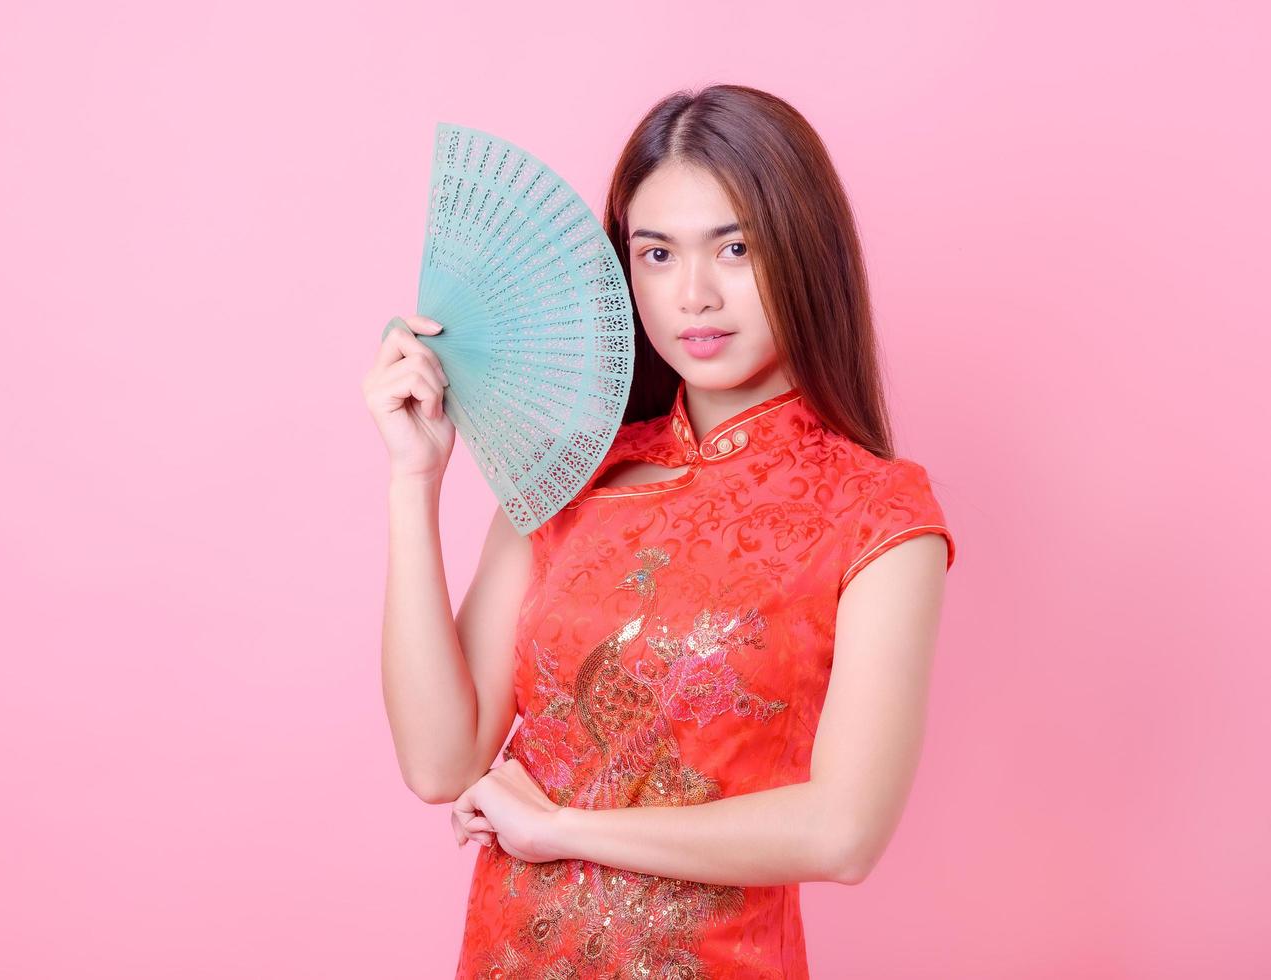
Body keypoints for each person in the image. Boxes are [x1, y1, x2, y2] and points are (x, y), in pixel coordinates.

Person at [362, 84, 957, 979]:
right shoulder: (573, 477)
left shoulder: (877, 512)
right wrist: (416, 481)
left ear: (803, 254)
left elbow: (842, 833)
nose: (694, 295)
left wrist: (559, 829)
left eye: (734, 247)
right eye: (655, 252)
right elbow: (441, 761)